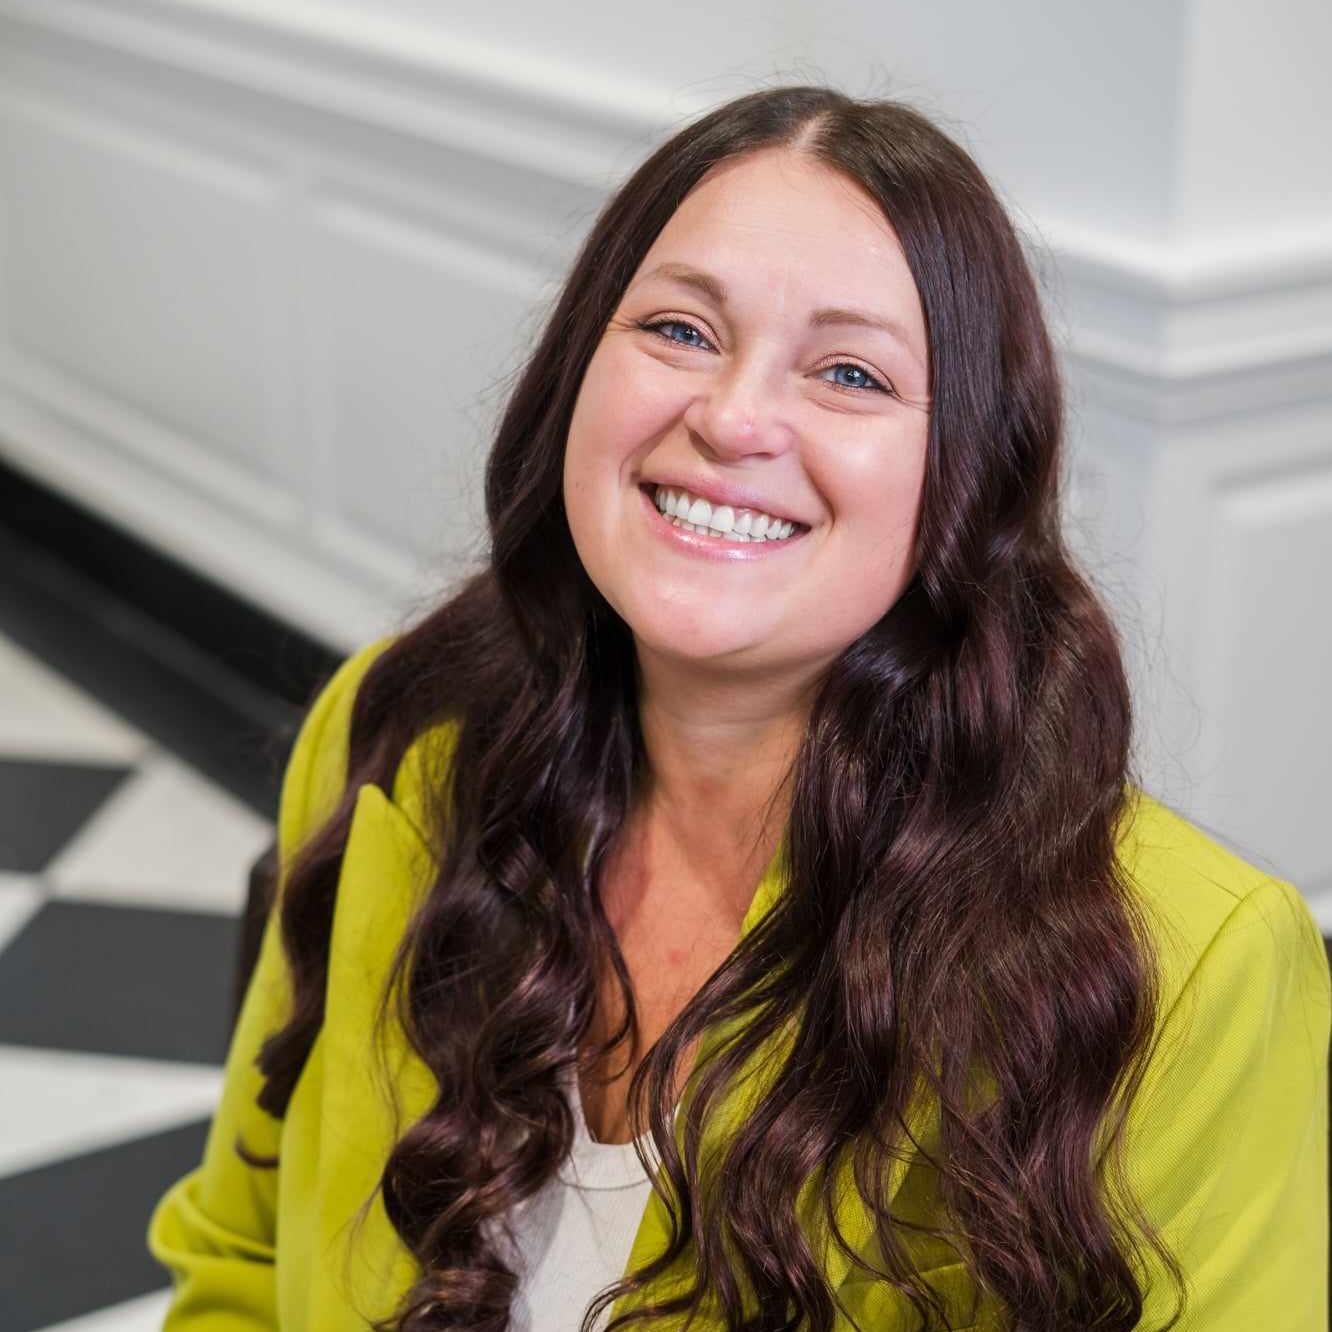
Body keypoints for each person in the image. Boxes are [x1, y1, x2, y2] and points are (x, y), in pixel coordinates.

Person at [147, 84, 1330, 1332]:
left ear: (969, 474)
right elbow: (238, 1263)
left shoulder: (1187, 973)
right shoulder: (401, 737)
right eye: (681, 330)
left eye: (851, 372)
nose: (732, 418)